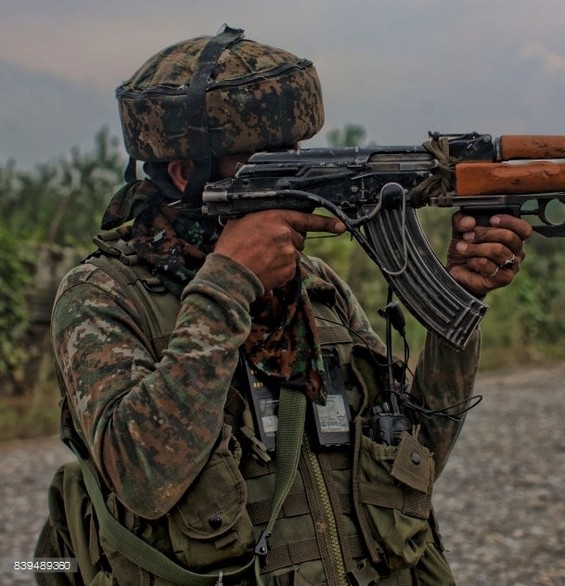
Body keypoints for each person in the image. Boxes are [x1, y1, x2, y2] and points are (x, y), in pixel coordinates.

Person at [35, 25, 531, 586]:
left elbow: (417, 463)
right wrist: (227, 283)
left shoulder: (313, 288)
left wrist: (457, 304)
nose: (302, 175)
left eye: (298, 154)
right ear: (185, 173)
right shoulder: (103, 295)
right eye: (271, 161)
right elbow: (145, 474)